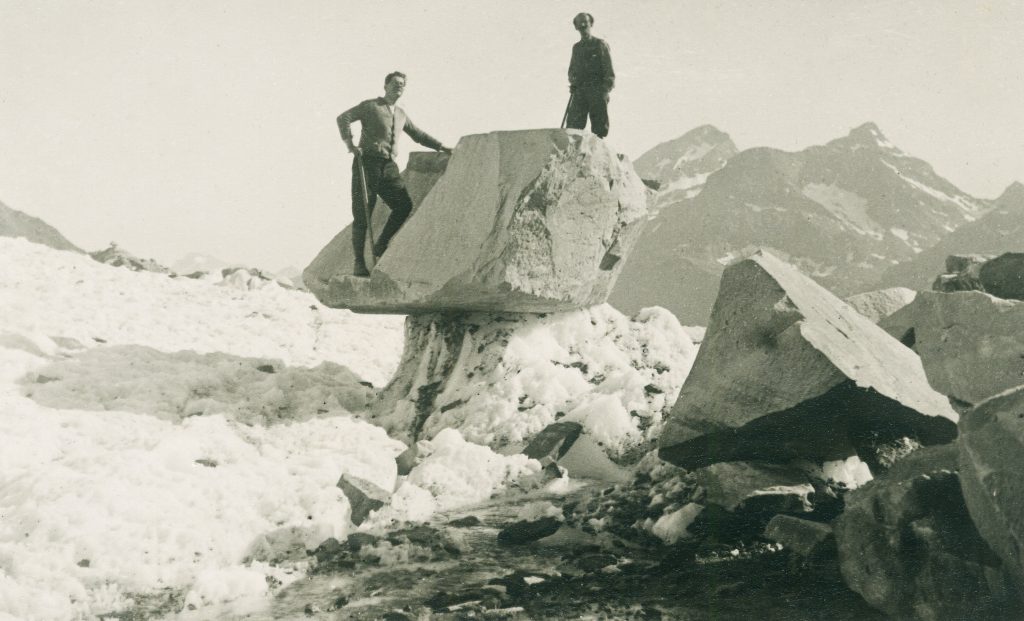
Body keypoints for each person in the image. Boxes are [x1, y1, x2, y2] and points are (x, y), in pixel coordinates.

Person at [337, 71, 452, 276]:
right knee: (363, 213)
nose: (399, 86)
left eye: (402, 84)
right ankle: (358, 263)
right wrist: (350, 145)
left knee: (403, 205)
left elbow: (418, 135)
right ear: (385, 85)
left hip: (388, 166)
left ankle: (380, 246)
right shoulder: (370, 106)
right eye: (395, 83)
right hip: (367, 163)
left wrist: (442, 147)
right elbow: (343, 117)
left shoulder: (400, 113)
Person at [566, 12, 615, 138]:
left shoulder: (600, 44)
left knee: (599, 130)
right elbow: (572, 70)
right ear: (576, 27)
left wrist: (604, 91)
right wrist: (573, 82)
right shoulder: (576, 48)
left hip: (597, 91)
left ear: (591, 24)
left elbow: (609, 71)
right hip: (580, 92)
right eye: (579, 24)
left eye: (585, 23)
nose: (583, 25)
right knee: (572, 128)